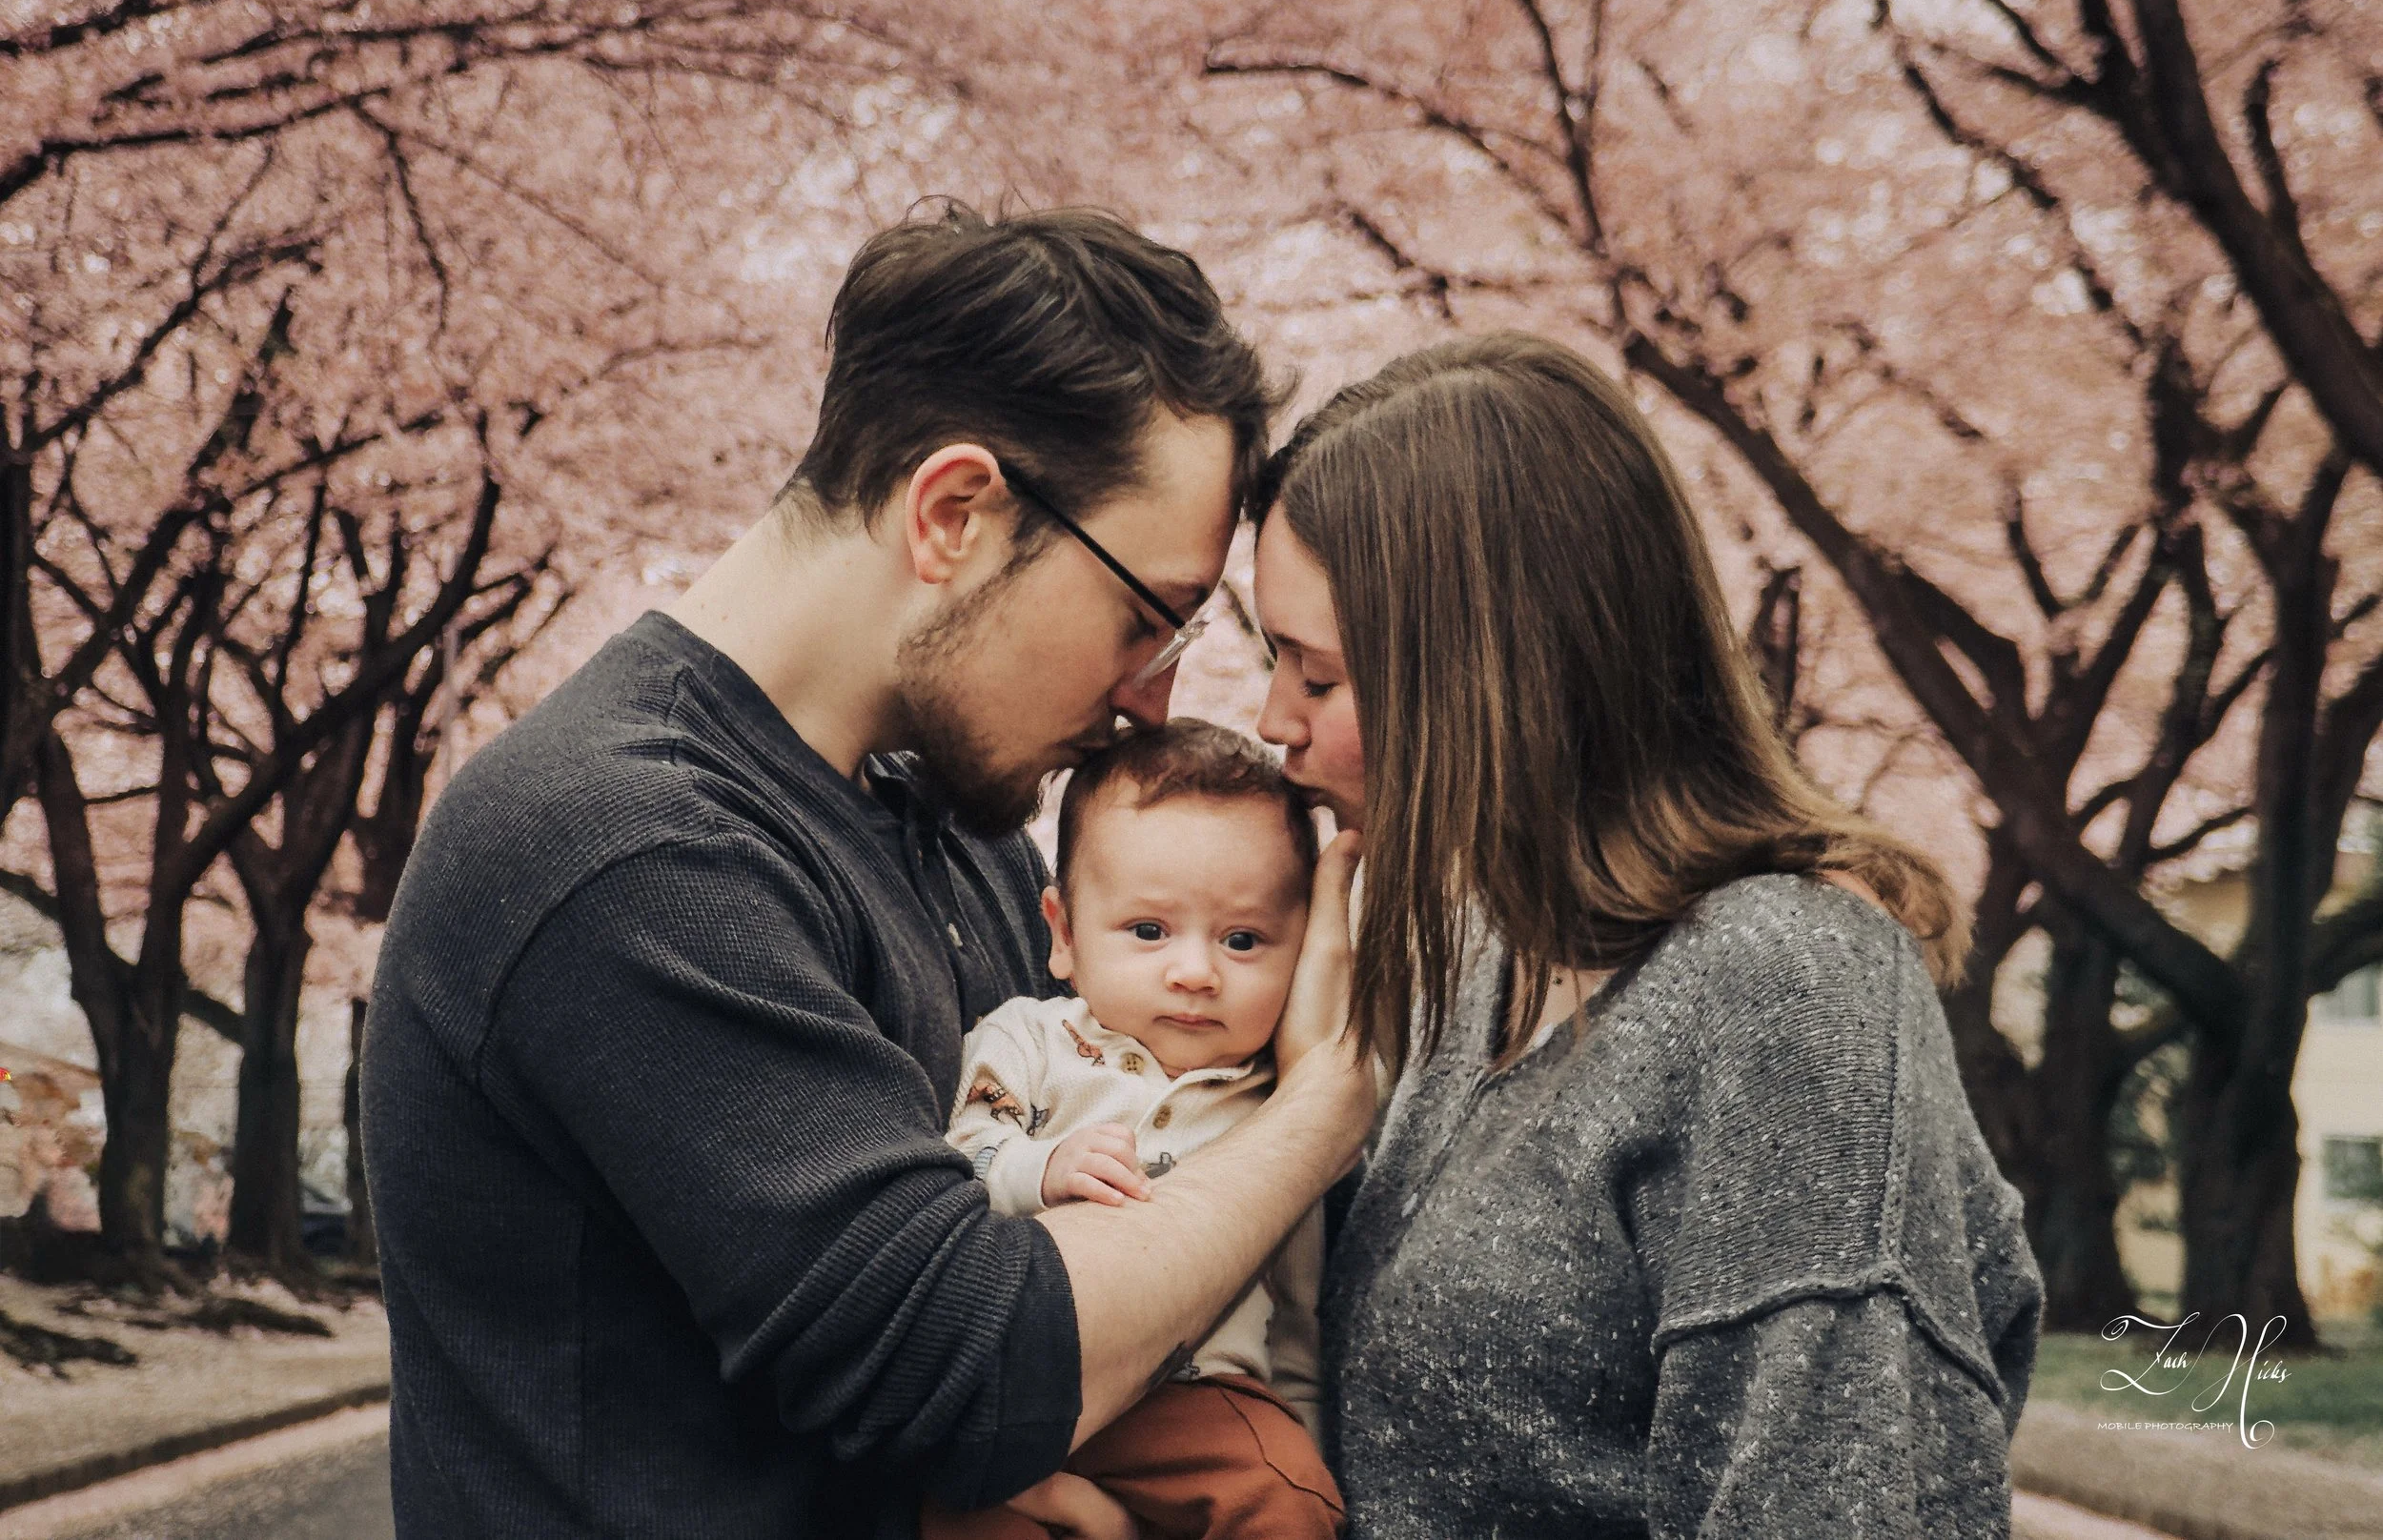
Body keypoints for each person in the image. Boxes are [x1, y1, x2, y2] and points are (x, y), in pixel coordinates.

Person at [361, 204, 1373, 1540]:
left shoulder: (958, 831)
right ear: (955, 511)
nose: (1154, 698)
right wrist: (1322, 1100)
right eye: (1146, 616)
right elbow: (974, 1369)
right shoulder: (622, 848)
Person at [1249, 333, 2046, 1538]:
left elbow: (1840, 1499)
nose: (1272, 725)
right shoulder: (1474, 960)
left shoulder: (1789, 990)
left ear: (1486, 674)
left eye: (1316, 677)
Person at [925, 719, 1342, 1540]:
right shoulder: (1031, 1039)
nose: (1195, 970)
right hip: (1031, 1379)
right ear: (1065, 933)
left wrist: (1305, 1444)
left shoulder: (1275, 1110)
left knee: (1285, 1501)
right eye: (1149, 931)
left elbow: (1297, 1315)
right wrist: (1041, 1167)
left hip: (1196, 1403)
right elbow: (959, 1154)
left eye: (1244, 939)